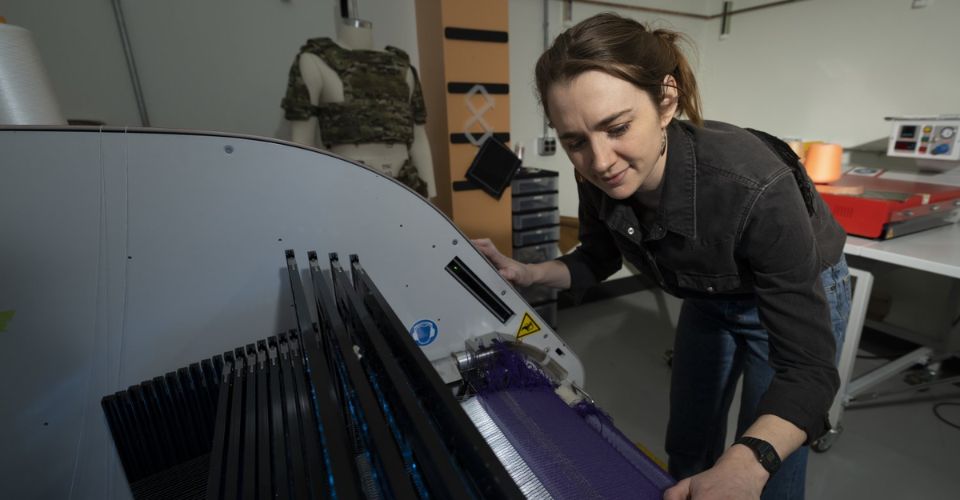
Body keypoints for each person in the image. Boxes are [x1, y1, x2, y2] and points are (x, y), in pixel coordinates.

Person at [473, 13, 850, 500]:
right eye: (575, 141)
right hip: (708, 296)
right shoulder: (596, 174)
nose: (601, 161)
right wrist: (527, 271)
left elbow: (809, 372)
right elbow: (597, 257)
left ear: (666, 100)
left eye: (618, 127)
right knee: (689, 445)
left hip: (786, 294)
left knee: (766, 466)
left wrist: (747, 461)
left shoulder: (755, 186)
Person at [281, 15, 436, 198]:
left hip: (405, 189)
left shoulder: (404, 67)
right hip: (347, 189)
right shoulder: (314, 61)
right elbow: (302, 144)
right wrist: (307, 197)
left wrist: (429, 196)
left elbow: (419, 139)